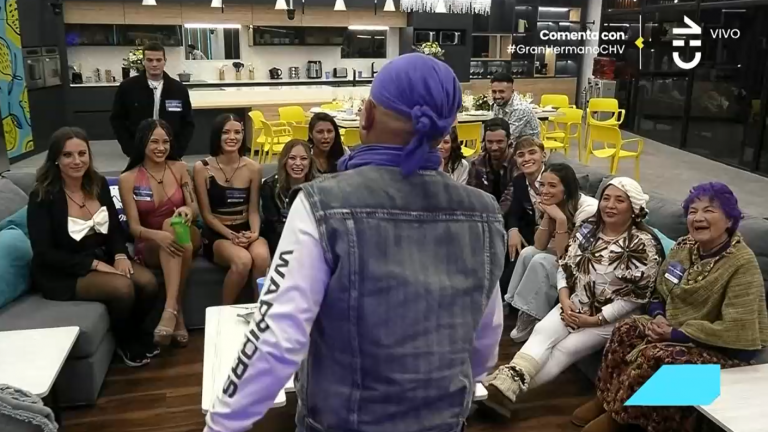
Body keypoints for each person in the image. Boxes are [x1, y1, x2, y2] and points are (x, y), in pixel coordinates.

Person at [204, 53, 505, 432]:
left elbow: (276, 337)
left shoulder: (321, 203)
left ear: (368, 114)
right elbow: (484, 344)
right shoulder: (485, 212)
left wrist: (222, 423)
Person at [575, 182, 768, 432]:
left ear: (730, 220)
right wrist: (658, 316)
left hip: (725, 354)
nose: (698, 217)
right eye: (693, 211)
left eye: (709, 211)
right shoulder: (685, 246)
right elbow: (659, 291)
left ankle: (620, 418)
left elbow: (737, 331)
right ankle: (606, 399)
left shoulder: (742, 264)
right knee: (626, 330)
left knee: (657, 355)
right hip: (676, 331)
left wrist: (675, 334)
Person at [483, 177, 664, 417]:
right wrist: (564, 299)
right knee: (542, 332)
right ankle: (501, 390)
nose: (610, 205)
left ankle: (501, 389)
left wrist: (595, 320)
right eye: (606, 198)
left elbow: (635, 298)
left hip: (611, 318)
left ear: (635, 208)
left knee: (566, 349)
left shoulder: (643, 245)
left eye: (620, 200)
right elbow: (565, 266)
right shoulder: (588, 228)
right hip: (575, 303)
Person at [27, 127, 160, 367]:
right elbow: (44, 253)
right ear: (56, 158)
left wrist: (120, 255)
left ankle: (137, 331)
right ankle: (125, 341)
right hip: (64, 270)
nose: (77, 161)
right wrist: (94, 264)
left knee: (148, 283)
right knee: (122, 287)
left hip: (102, 255)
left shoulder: (98, 183)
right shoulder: (42, 196)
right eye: (67, 155)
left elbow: (114, 229)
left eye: (82, 153)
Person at [118, 119, 201, 348]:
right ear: (142, 142)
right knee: (175, 238)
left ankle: (170, 309)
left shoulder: (180, 169)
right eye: (154, 141)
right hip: (151, 243)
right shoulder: (128, 179)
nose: (161, 147)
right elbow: (134, 228)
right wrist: (159, 236)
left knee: (172, 225)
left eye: (166, 142)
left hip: (187, 232)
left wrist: (187, 210)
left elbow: (194, 207)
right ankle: (177, 312)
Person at [505, 162, 599, 341]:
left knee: (541, 261)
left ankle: (532, 313)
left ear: (567, 189)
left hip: (585, 267)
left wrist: (561, 220)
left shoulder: (588, 210)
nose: (544, 190)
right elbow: (539, 245)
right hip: (568, 259)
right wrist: (548, 215)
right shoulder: (555, 203)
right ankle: (519, 308)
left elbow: (566, 258)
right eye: (542, 185)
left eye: (552, 186)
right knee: (528, 253)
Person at [192, 114, 272, 305]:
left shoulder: (253, 168)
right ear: (217, 135)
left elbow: (253, 210)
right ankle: (225, 312)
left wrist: (254, 233)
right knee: (243, 261)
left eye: (237, 132)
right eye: (226, 132)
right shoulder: (202, 168)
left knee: (262, 257)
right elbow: (207, 215)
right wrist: (231, 235)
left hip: (246, 229)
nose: (232, 137)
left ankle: (259, 311)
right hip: (217, 233)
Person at [110, 42, 194, 159]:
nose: (154, 64)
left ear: (165, 61)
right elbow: (117, 120)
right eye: (149, 60)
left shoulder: (178, 89)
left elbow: (188, 123)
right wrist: (130, 149)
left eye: (158, 60)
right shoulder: (128, 87)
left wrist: (178, 150)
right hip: (138, 153)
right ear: (143, 61)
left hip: (171, 153)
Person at [260, 139, 316, 256]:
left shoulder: (318, 185)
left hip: (311, 239)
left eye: (304, 159)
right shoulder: (269, 186)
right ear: (284, 161)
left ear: (310, 162)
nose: (298, 163)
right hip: (280, 240)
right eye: (292, 158)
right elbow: (274, 225)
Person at [467, 117, 516, 213]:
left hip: (512, 213)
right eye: (490, 142)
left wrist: (496, 217)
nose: (494, 147)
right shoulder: (477, 163)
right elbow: (472, 195)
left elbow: (510, 197)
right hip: (485, 213)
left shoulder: (516, 162)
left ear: (508, 141)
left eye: (499, 142)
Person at [490, 72, 540, 142]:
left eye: (501, 92)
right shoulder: (498, 104)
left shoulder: (520, 108)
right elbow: (494, 130)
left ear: (512, 92)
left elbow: (507, 137)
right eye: (494, 92)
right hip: (508, 145)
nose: (497, 96)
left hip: (527, 147)